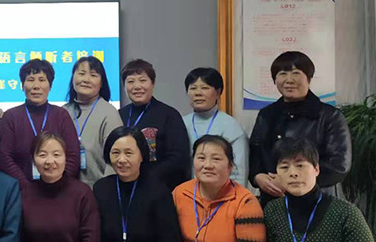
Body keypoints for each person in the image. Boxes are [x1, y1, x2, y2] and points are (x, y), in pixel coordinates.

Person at [249, 51, 351, 204]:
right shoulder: (267, 115)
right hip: (274, 200)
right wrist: (257, 177)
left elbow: (339, 166)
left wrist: (290, 179)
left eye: (296, 73)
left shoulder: (330, 116)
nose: (289, 80)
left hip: (318, 200)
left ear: (308, 78)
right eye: (282, 74)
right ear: (275, 80)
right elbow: (255, 154)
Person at [0, 59, 80, 187]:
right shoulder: (11, 116)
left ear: (50, 86)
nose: (36, 86)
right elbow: (5, 157)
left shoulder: (61, 115)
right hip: (21, 190)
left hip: (59, 189)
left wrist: (57, 184)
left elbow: (73, 156)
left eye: (42, 80)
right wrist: (26, 188)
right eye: (30, 80)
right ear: (22, 85)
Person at [118, 59, 190, 189]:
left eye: (142, 80)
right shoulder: (119, 115)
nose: (137, 86)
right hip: (124, 185)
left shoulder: (169, 115)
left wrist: (144, 175)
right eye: (130, 81)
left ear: (153, 83)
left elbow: (178, 158)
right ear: (124, 86)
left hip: (159, 187)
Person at [63, 56, 123, 187]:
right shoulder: (63, 112)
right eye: (81, 73)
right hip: (65, 190)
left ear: (101, 83)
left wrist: (104, 191)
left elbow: (115, 158)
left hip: (98, 190)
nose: (86, 79)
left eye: (93, 75)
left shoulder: (109, 113)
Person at [182, 67, 249, 186]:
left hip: (220, 192)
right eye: (193, 88)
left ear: (218, 92)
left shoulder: (230, 126)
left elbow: (239, 172)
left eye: (204, 88)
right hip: (186, 192)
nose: (198, 93)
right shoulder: (180, 123)